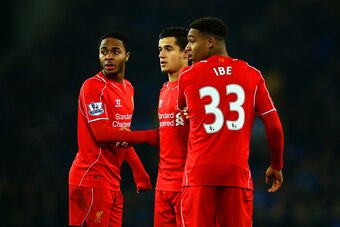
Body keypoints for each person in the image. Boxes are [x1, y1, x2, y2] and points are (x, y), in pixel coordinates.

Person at [177, 17, 284, 227]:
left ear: (210, 42)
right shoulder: (252, 75)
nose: (187, 48)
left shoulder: (188, 75)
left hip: (199, 176)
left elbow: (182, 110)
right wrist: (276, 165)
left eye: (191, 41)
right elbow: (274, 126)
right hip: (237, 177)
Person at [68, 31, 158, 227]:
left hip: (112, 180)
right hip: (91, 176)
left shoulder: (129, 88)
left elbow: (122, 135)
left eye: (115, 51)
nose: (108, 56)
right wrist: (148, 136)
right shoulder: (92, 87)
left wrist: (139, 171)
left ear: (127, 56)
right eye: (104, 51)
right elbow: (102, 133)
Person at [154, 27, 190, 227]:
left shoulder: (197, 87)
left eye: (168, 49)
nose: (161, 55)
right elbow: (165, 134)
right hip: (163, 186)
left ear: (186, 52)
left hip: (187, 185)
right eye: (159, 49)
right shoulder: (164, 90)